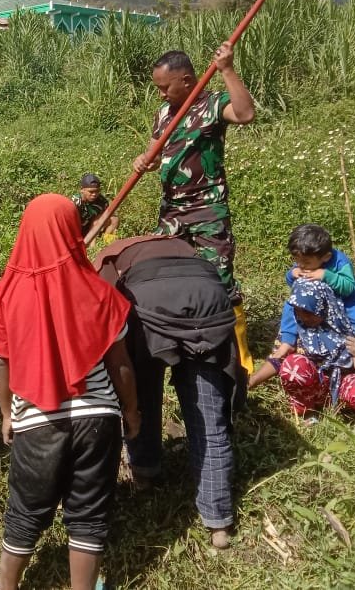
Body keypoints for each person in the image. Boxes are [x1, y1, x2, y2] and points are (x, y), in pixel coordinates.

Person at [0, 194, 139, 590]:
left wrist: (7, 414)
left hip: (37, 421)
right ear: (73, 231)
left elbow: (1, 362)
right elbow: (120, 363)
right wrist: (131, 411)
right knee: (88, 514)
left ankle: (6, 587)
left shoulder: (8, 293)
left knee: (25, 512)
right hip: (98, 418)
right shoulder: (99, 290)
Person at [93, 235, 240, 549]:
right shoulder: (181, 247)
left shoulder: (107, 259)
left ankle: (145, 471)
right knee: (208, 417)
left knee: (142, 390)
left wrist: (125, 400)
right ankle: (218, 522)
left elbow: (101, 317)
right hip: (207, 301)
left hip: (149, 306)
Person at [132, 43, 255, 375]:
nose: (161, 94)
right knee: (164, 272)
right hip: (171, 211)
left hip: (206, 210)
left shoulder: (213, 104)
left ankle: (240, 361)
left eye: (165, 87)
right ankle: (180, 341)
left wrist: (227, 69)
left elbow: (245, 115)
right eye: (158, 88)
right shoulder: (164, 114)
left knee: (220, 280)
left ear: (186, 80)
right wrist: (145, 160)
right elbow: (155, 152)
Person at [248, 279, 355, 416]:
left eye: (309, 311)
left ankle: (346, 411)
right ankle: (306, 409)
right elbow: (278, 358)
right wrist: (251, 381)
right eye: (298, 310)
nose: (303, 317)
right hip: (313, 388)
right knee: (293, 365)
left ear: (325, 305)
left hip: (348, 385)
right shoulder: (297, 325)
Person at [282, 223, 355, 337]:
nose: (300, 265)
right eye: (296, 260)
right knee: (291, 305)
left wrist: (326, 275)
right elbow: (295, 287)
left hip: (346, 300)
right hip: (319, 304)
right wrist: (292, 274)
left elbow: (349, 287)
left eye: (306, 262)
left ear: (326, 257)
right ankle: (287, 338)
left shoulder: (340, 262)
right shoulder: (304, 259)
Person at [70, 173, 119, 243]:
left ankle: (107, 244)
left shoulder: (102, 201)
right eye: (91, 192)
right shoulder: (75, 202)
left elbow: (105, 218)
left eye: (97, 191)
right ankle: (90, 247)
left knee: (114, 219)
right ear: (82, 190)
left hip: (94, 230)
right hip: (76, 231)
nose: (94, 194)